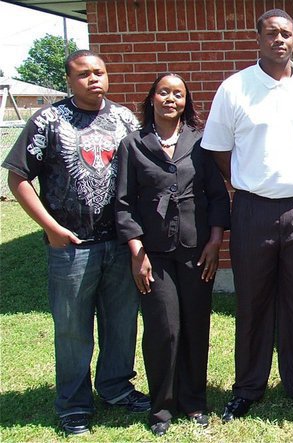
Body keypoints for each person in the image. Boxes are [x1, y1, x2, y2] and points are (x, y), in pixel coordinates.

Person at [1, 50, 150, 436]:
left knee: (121, 324)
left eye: (99, 72)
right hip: (70, 247)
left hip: (119, 244)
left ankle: (116, 388)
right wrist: (50, 227)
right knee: (72, 329)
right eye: (84, 75)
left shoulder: (123, 120)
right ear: (69, 80)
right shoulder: (47, 121)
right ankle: (73, 404)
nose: (94, 79)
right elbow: (17, 178)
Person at [201, 9, 293, 423]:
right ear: (257, 38)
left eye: (287, 34)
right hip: (252, 209)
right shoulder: (234, 88)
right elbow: (218, 149)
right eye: (271, 33)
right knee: (252, 303)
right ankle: (248, 387)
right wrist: (243, 183)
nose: (280, 40)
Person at [115, 73, 230, 436]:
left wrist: (215, 242)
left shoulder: (200, 143)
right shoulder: (133, 144)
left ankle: (194, 402)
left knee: (196, 326)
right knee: (164, 329)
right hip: (154, 253)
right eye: (163, 92)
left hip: (198, 251)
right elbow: (122, 204)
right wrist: (137, 251)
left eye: (177, 94)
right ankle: (161, 407)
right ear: (151, 99)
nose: (170, 99)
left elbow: (217, 196)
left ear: (186, 101)